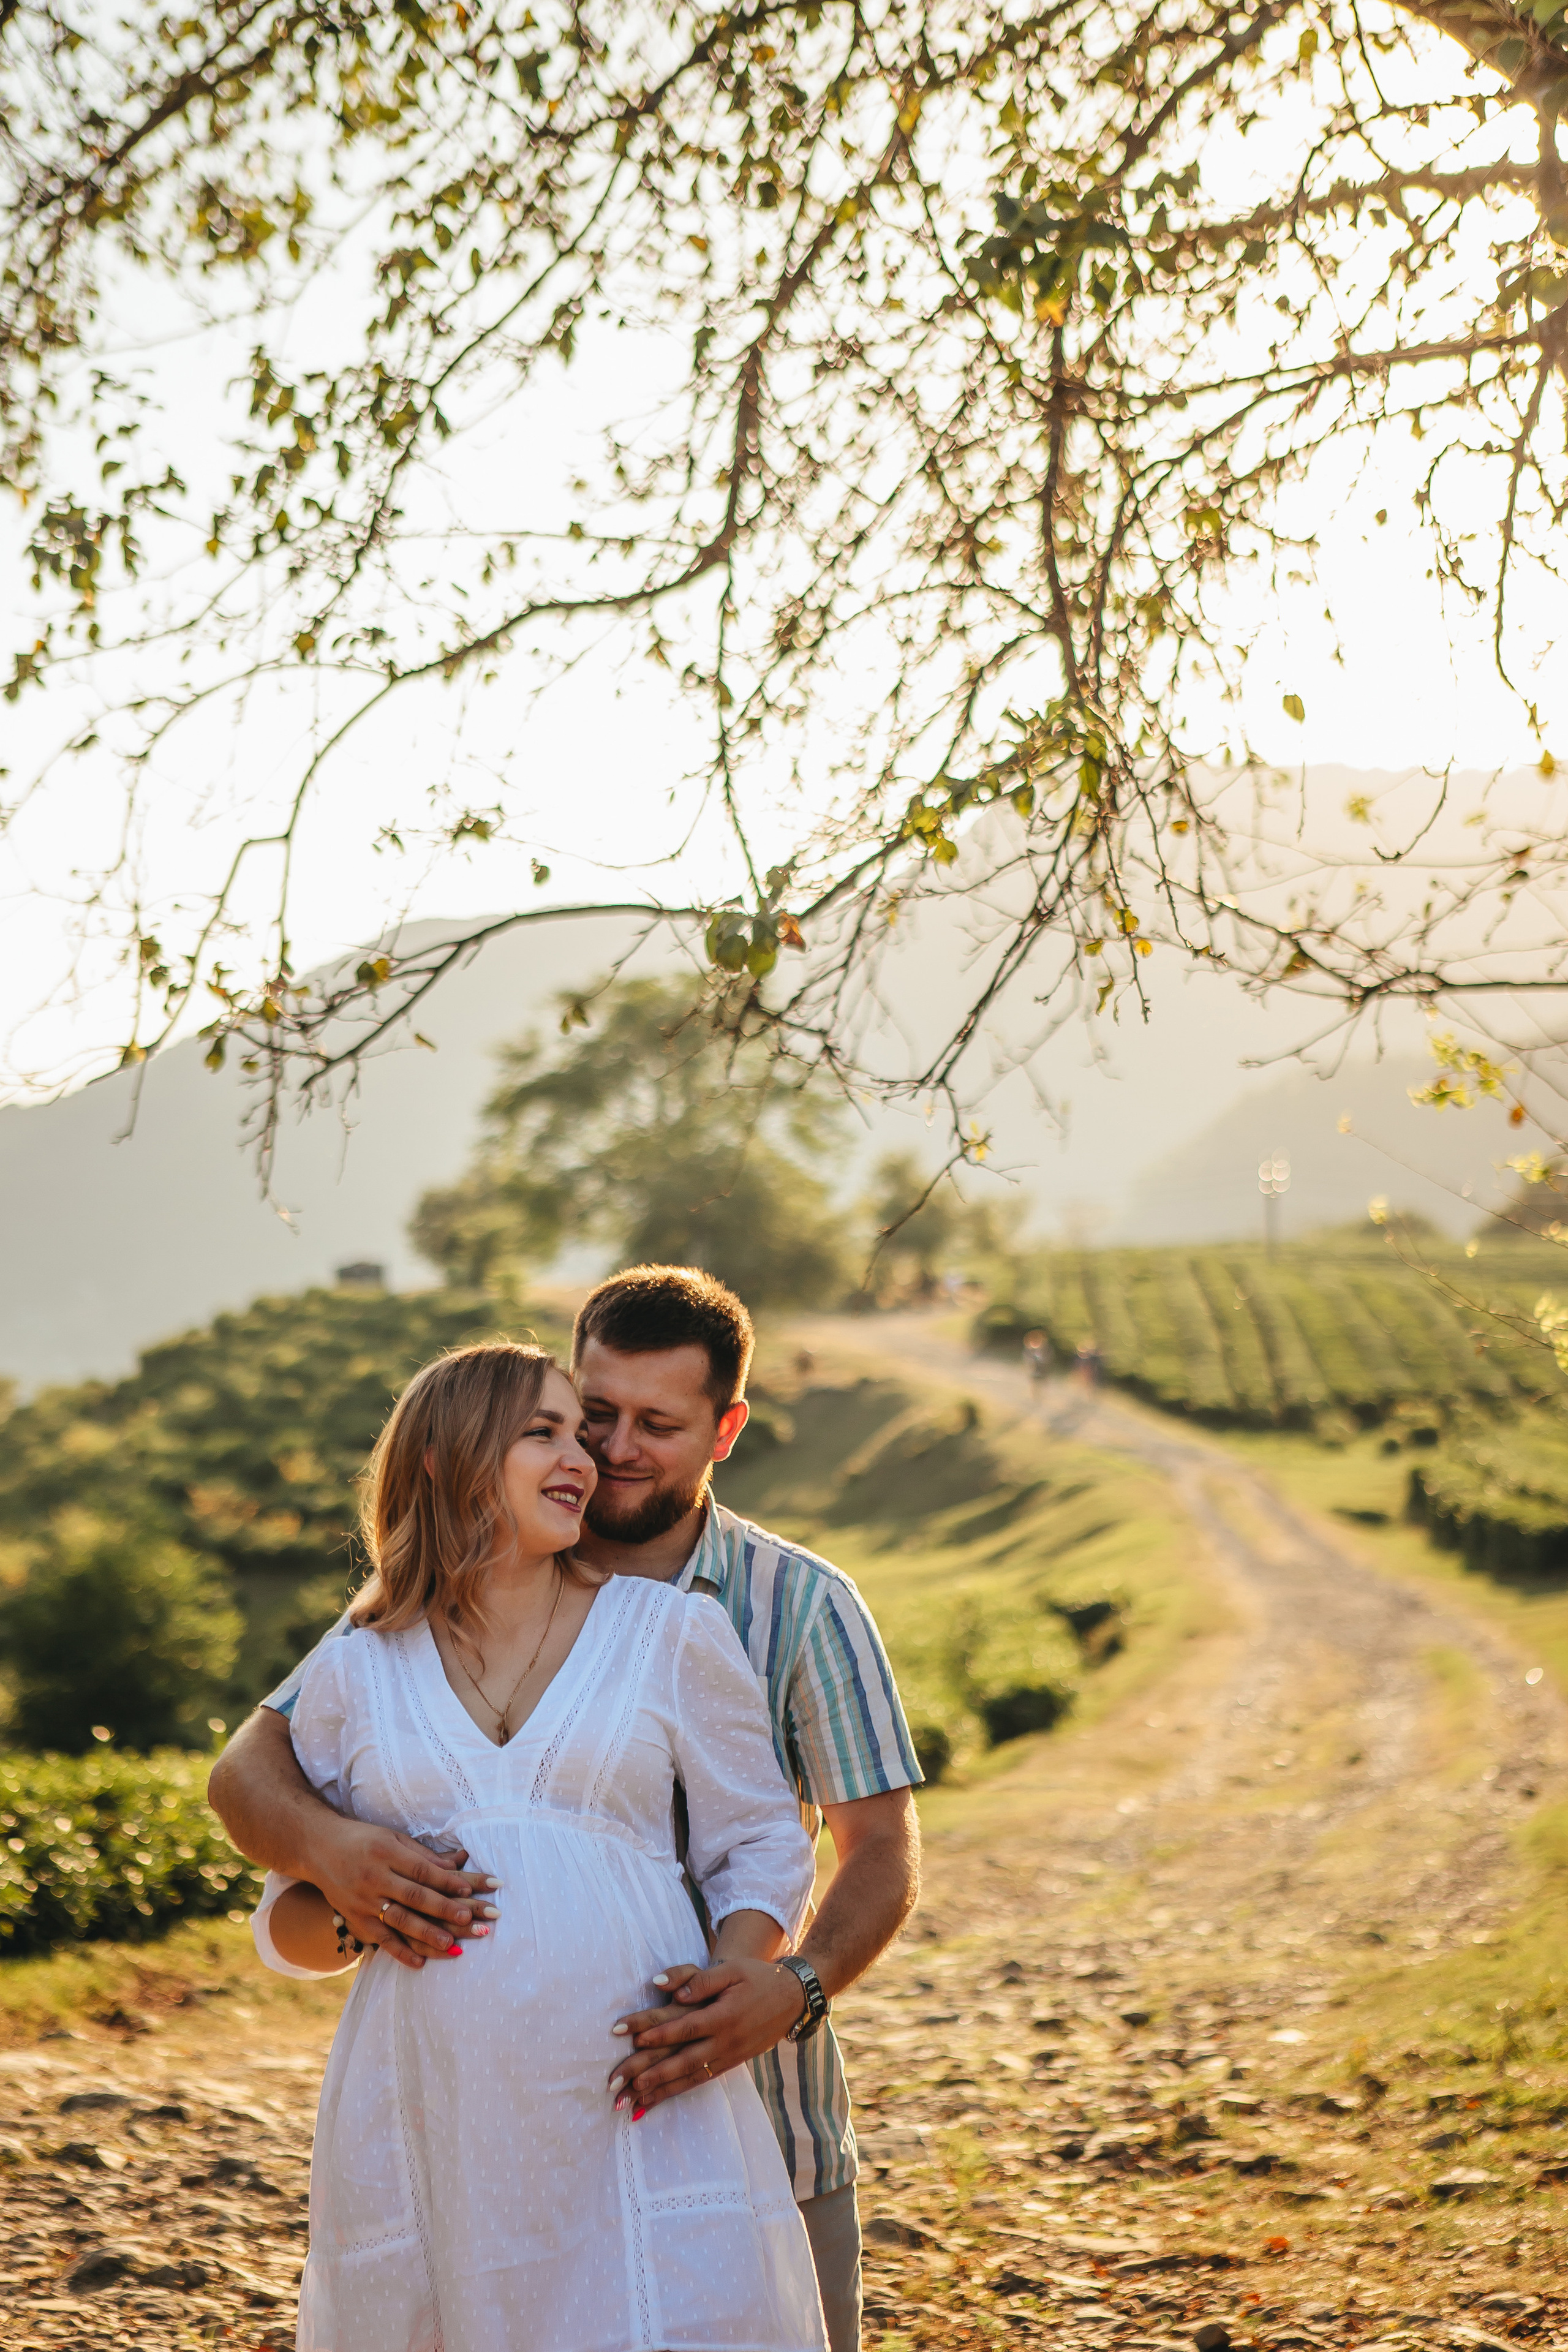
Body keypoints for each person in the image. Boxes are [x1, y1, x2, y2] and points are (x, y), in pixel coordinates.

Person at [209, 1266, 923, 2352]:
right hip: (464, 2132)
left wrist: (787, 1985)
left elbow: (856, 1846)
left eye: (657, 1424)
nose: (609, 1451)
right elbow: (252, 1779)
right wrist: (342, 1862)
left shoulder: (788, 1605)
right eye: (589, 1419)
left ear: (725, 1429)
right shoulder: (389, 1641)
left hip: (737, 2105)